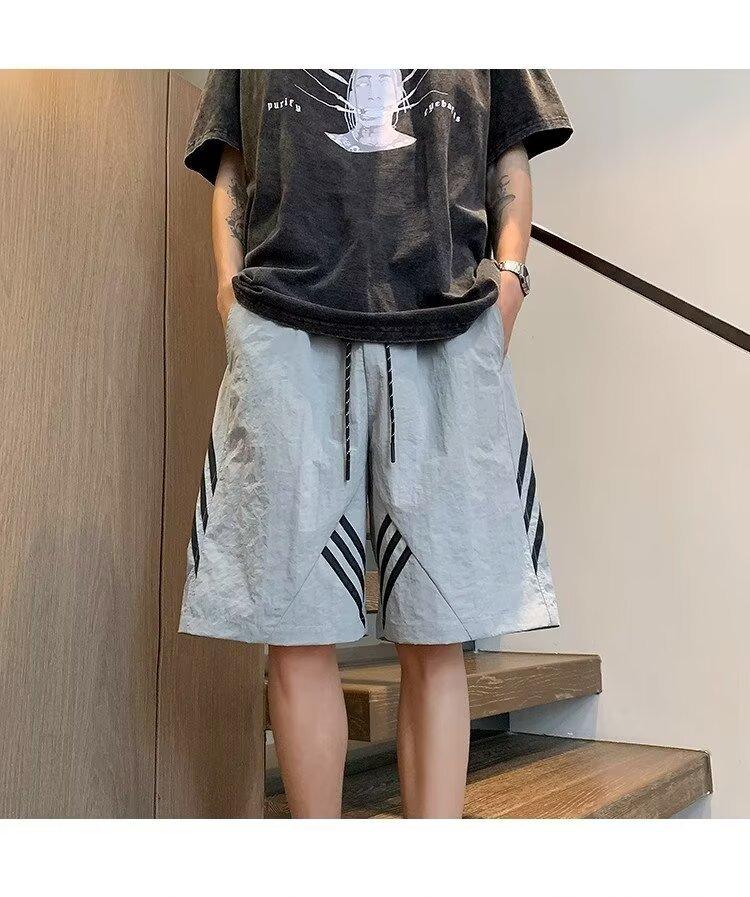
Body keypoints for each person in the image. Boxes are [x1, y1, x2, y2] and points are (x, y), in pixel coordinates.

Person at [179, 69, 572, 818]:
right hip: (284, 320)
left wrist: (510, 282)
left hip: (446, 323)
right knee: (294, 626)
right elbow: (231, 163)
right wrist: (230, 295)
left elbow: (509, 152)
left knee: (438, 628)